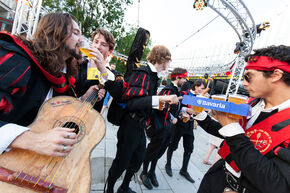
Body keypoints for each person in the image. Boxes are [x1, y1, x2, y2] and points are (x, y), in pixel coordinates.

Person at [0, 13, 110, 156]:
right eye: (76, 33)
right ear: (57, 32)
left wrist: (82, 99)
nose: (82, 40)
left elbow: (52, 110)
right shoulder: (17, 60)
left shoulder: (61, 76)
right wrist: (33, 140)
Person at [194, 45, 290, 193]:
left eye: (248, 77)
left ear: (276, 75)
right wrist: (199, 114)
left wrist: (232, 129)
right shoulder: (251, 104)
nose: (244, 83)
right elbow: (229, 136)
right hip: (216, 178)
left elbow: (278, 185)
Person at [105, 45, 179, 193]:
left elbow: (143, 101)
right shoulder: (143, 73)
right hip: (130, 125)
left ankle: (124, 188)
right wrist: (161, 98)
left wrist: (157, 105)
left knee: (138, 159)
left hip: (139, 126)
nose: (170, 64)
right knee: (122, 161)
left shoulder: (152, 76)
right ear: (162, 59)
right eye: (169, 61)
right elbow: (132, 103)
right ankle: (109, 189)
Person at [140, 68, 187, 190]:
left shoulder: (177, 91)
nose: (185, 80)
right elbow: (159, 105)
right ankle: (144, 172)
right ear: (177, 78)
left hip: (169, 129)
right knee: (152, 150)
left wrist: (180, 114)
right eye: (183, 78)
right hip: (161, 127)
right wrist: (172, 117)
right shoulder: (168, 90)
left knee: (160, 151)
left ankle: (152, 171)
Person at [164, 80, 206, 183]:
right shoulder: (184, 93)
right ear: (195, 86)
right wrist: (186, 111)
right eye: (201, 88)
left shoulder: (200, 98)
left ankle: (184, 170)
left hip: (190, 124)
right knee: (173, 144)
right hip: (180, 124)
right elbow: (176, 106)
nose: (203, 90)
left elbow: (199, 111)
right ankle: (168, 164)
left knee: (189, 147)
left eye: (204, 88)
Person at [76, 28, 115, 112]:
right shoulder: (79, 63)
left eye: (103, 45)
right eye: (96, 42)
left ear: (110, 52)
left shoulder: (109, 74)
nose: (97, 47)